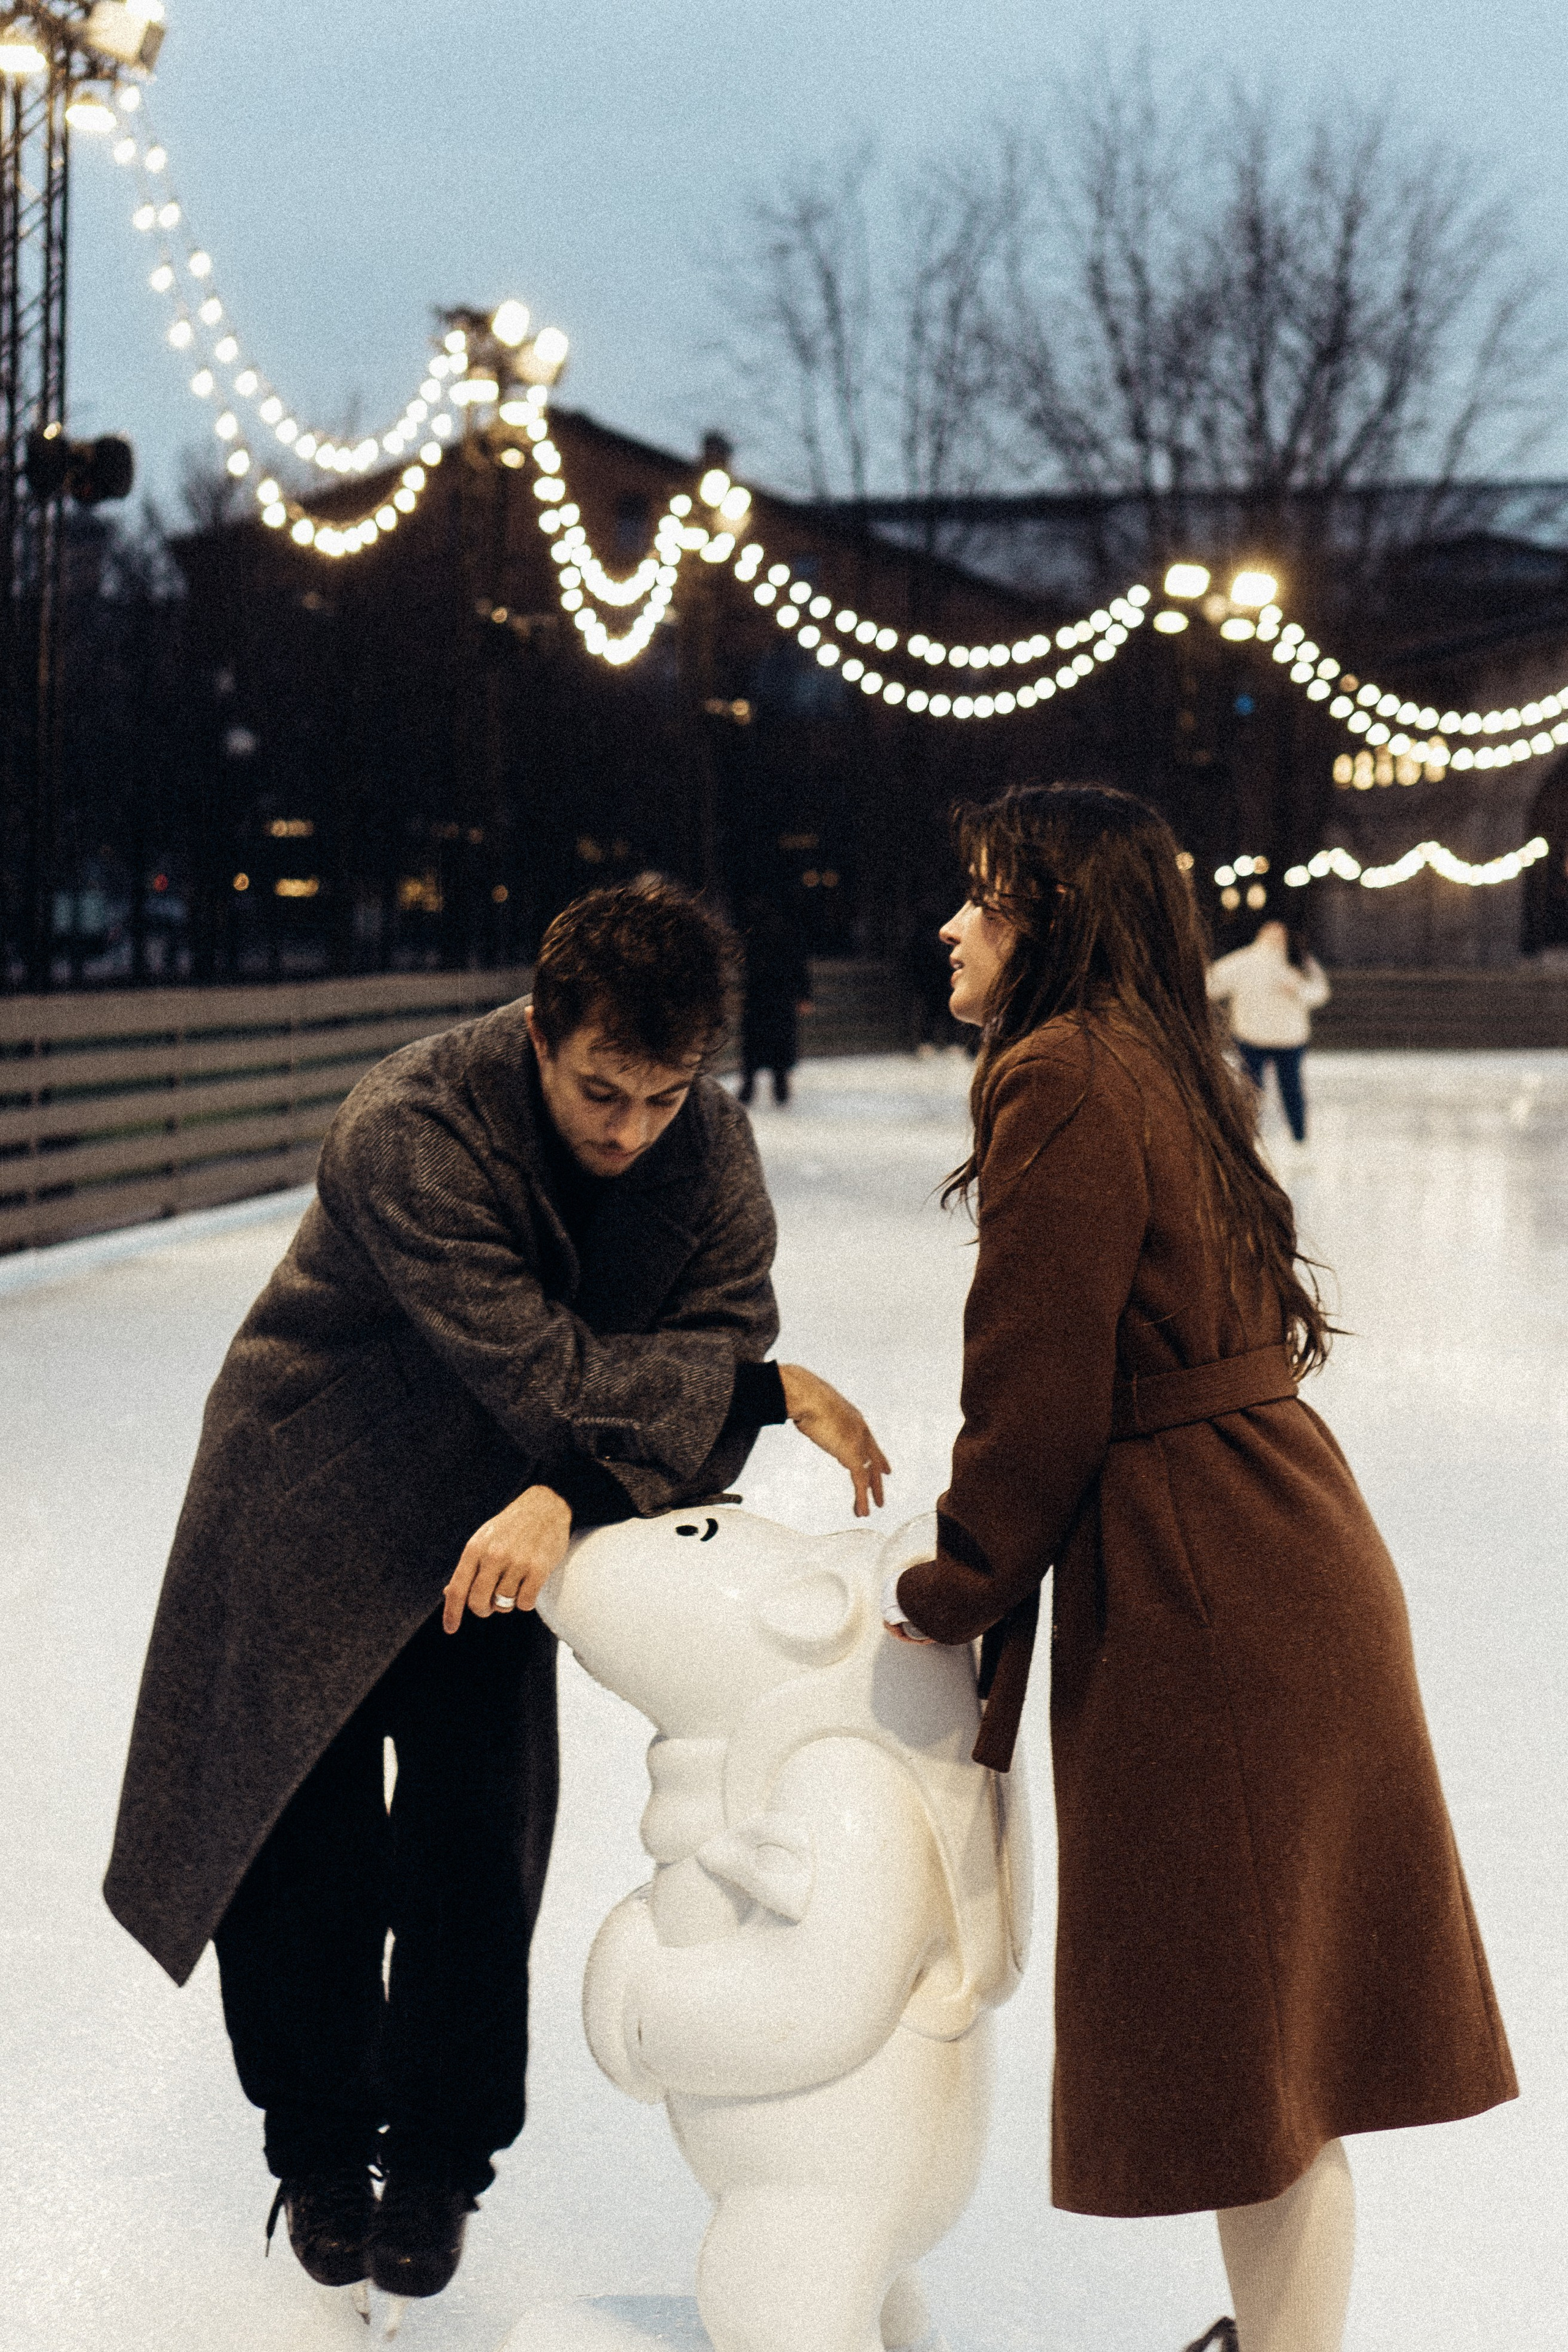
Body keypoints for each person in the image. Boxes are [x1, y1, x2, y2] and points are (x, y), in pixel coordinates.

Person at [104, 878, 888, 2314]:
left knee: (474, 1829)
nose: (631, 1127)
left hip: (511, 1512)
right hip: (316, 1480)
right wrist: (756, 1396)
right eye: (603, 1090)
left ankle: (444, 2156)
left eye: (663, 1094)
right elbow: (546, 1366)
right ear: (539, 1028)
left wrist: (579, 1487)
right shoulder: (409, 1126)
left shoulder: (709, 1143)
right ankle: (320, 2143)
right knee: (303, 1840)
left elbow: (714, 1319)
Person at [883, 786, 1515, 2352]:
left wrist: (952, 1577)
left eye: (984, 899)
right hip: (1271, 1538)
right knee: (1281, 2042)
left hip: (1205, 1583)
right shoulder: (1159, 1056)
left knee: (1256, 2046)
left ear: (1057, 919)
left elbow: (1034, 1385)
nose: (951, 926)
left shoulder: (1061, 1073)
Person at [1206, 918, 1330, 1144]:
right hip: (1255, 1037)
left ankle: (1295, 1135)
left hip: (1285, 1039)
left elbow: (1319, 992)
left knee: (1284, 1089)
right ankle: (1250, 1134)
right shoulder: (1245, 962)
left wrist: (1298, 989)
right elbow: (1211, 984)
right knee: (1255, 1090)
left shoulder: (1297, 961)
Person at [737, 897, 813, 1106]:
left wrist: (803, 994)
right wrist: (804, 994)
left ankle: (761, 1086)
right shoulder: (780, 932)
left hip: (767, 994)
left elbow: (798, 964)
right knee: (772, 1041)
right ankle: (772, 1087)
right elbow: (799, 965)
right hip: (771, 994)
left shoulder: (762, 932)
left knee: (763, 1041)